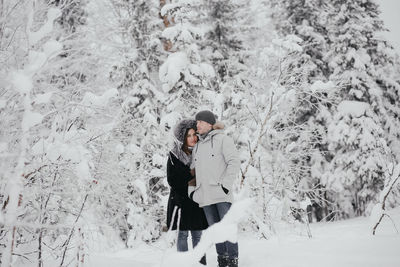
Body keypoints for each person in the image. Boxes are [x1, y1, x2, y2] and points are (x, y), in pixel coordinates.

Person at [189, 110, 241, 267]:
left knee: (228, 229)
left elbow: (234, 162)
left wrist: (225, 185)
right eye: (196, 122)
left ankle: (233, 261)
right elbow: (193, 172)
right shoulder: (197, 146)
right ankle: (222, 260)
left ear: (209, 124)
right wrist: (193, 192)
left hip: (221, 195)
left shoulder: (223, 140)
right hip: (205, 197)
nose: (197, 125)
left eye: (200, 122)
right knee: (216, 231)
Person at [166, 119, 208, 265]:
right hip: (181, 200)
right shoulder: (174, 155)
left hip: (197, 200)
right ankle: (183, 264)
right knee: (182, 234)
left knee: (198, 235)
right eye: (188, 135)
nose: (192, 138)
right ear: (182, 137)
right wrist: (191, 178)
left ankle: (200, 264)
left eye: (194, 134)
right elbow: (172, 180)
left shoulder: (202, 153)